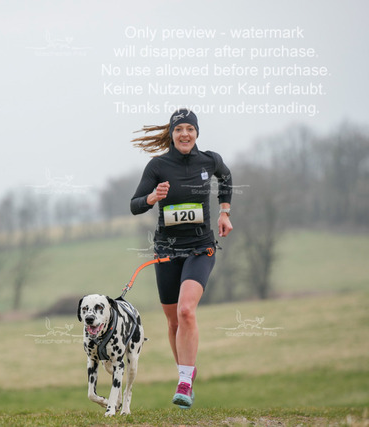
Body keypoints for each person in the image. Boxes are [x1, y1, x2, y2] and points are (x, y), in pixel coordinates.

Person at [130, 108, 233, 409]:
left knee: (186, 311)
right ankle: (186, 372)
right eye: (179, 129)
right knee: (174, 321)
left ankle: (184, 383)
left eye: (190, 128)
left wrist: (224, 212)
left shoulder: (209, 160)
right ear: (172, 134)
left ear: (197, 133)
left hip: (201, 248)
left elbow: (226, 177)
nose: (185, 134)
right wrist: (152, 197)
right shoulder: (158, 166)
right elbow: (135, 204)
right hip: (167, 251)